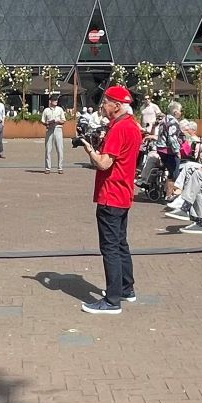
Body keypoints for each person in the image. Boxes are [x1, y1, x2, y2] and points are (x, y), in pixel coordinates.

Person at [78, 85, 143, 315]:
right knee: (121, 243)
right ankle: (126, 288)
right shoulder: (133, 126)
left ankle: (112, 300)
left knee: (110, 248)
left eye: (106, 102)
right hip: (123, 192)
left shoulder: (119, 128)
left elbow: (104, 163)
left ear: (116, 105)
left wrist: (89, 150)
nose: (102, 106)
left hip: (111, 193)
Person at [41, 95, 67, 174]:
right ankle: (48, 168)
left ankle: (60, 167)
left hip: (58, 129)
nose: (56, 101)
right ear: (50, 101)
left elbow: (63, 120)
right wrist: (47, 123)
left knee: (60, 149)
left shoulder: (60, 109)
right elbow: (42, 121)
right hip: (49, 129)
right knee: (48, 149)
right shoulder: (46, 110)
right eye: (54, 100)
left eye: (56, 100)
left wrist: (57, 121)